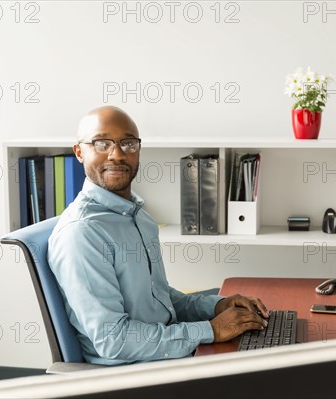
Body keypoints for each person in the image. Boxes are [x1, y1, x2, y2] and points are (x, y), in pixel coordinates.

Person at [48, 106, 269, 366]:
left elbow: (159, 298)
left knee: (280, 353)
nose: (117, 154)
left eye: (127, 143)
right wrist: (211, 330)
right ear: (79, 152)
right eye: (102, 143)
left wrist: (216, 307)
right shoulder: (82, 233)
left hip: (169, 353)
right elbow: (113, 340)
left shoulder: (138, 217)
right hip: (136, 375)